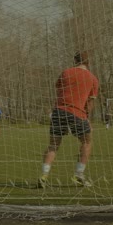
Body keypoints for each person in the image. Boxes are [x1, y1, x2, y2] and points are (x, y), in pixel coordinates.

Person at [38, 51, 99, 188]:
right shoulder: (93, 79)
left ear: (75, 61)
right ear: (88, 62)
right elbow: (90, 103)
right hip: (77, 112)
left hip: (59, 111)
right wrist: (86, 117)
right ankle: (78, 174)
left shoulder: (65, 72)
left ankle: (44, 175)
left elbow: (58, 88)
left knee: (53, 144)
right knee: (87, 141)